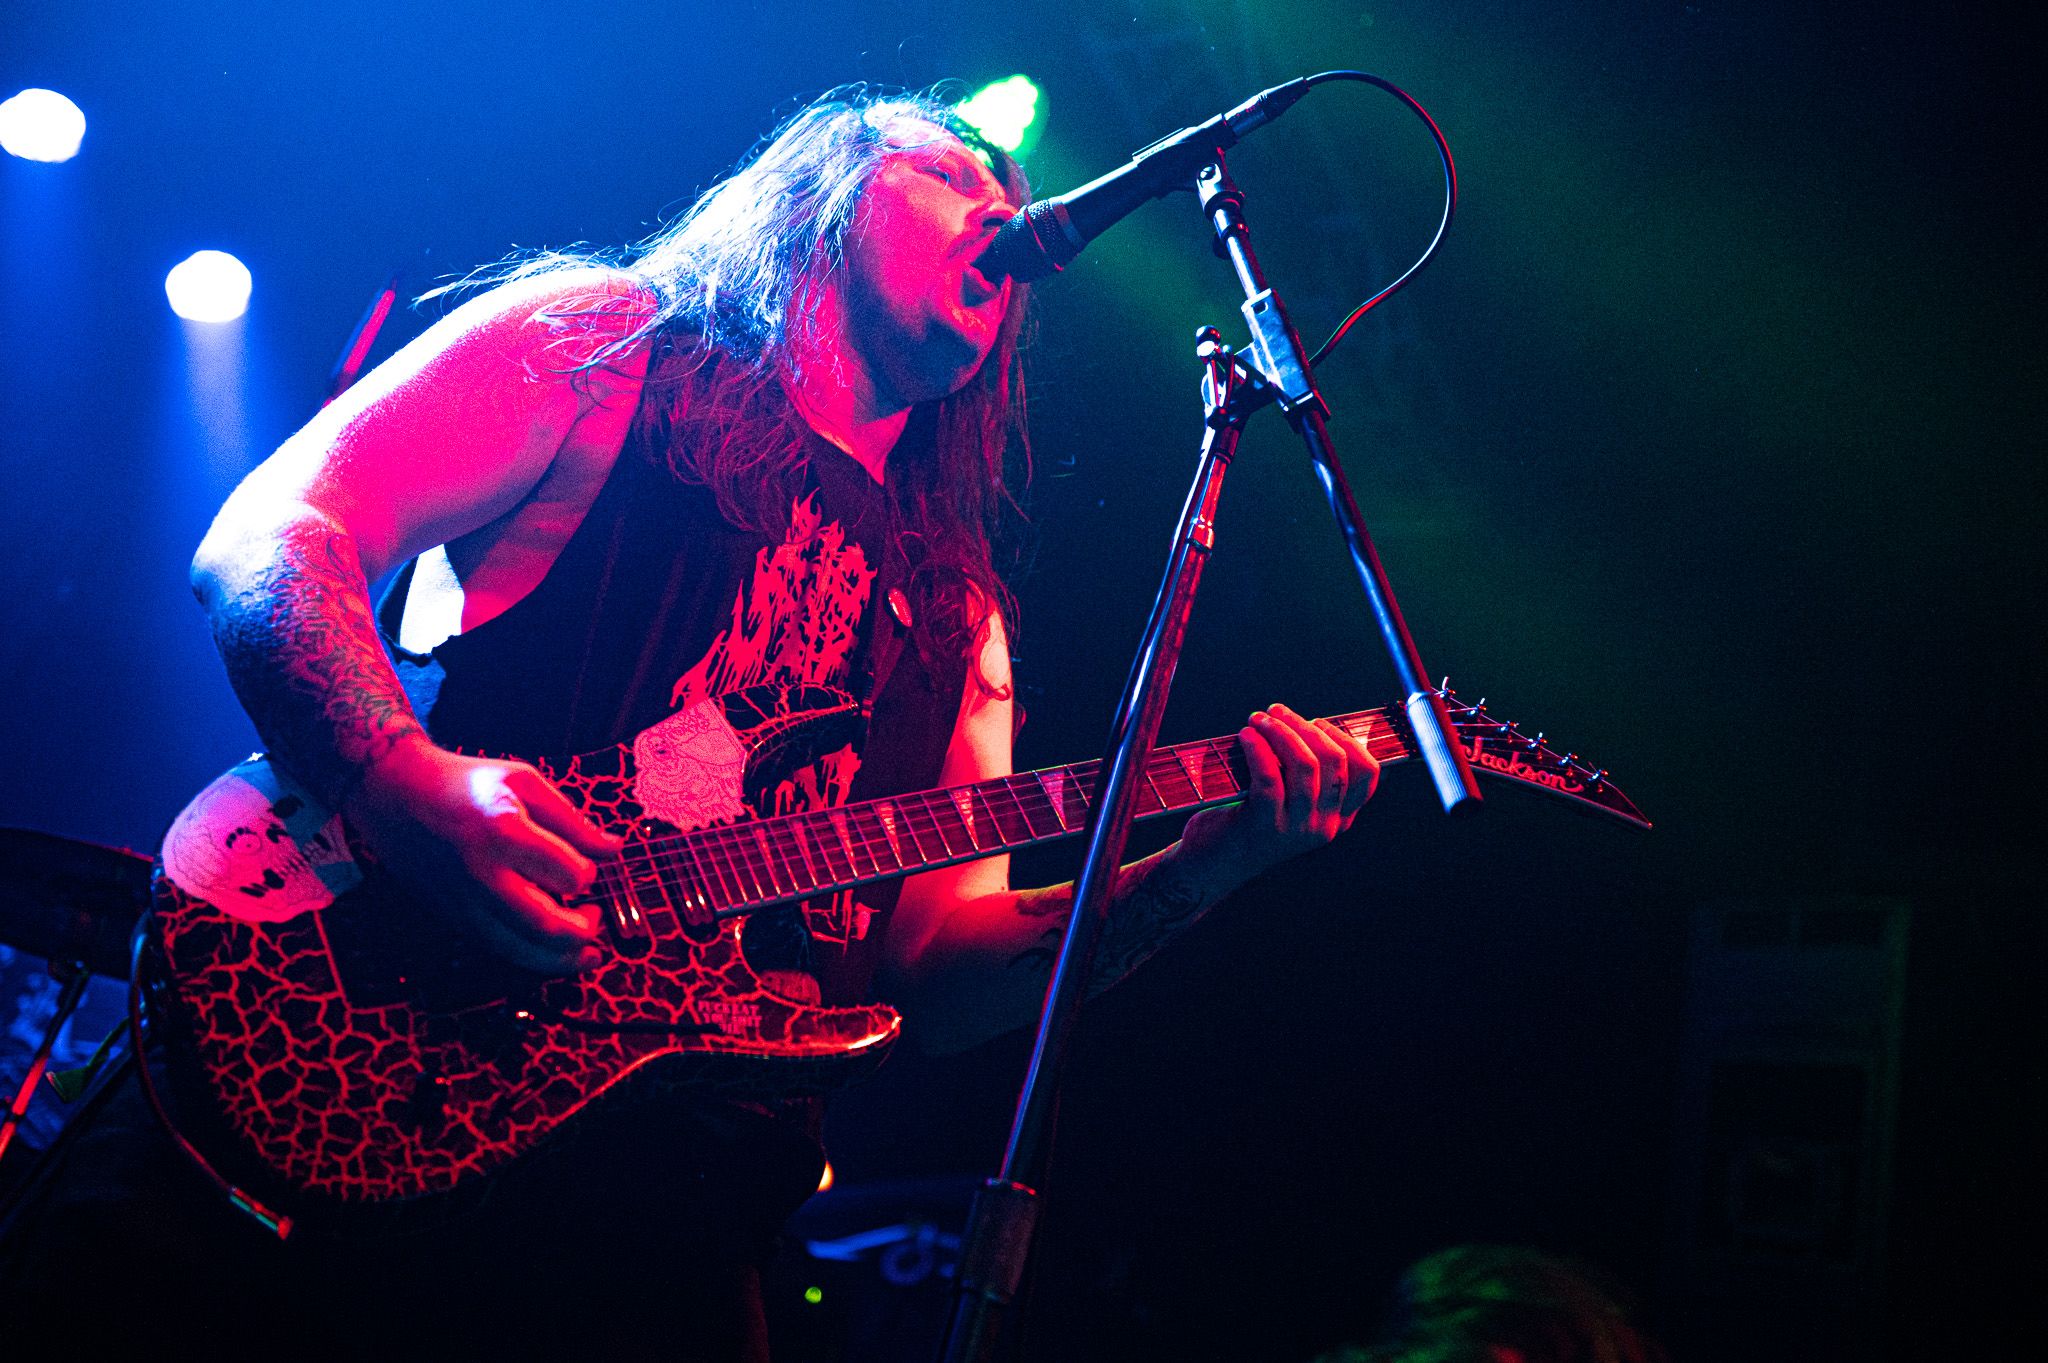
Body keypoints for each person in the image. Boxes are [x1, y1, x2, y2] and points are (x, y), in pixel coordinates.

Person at [0, 87, 1376, 1359]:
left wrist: (1200, 871)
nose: (1002, 212)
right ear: (821, 192)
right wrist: (396, 779)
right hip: (367, 1053)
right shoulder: (608, 350)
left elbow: (933, 972)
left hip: (658, 1242)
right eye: (953, 171)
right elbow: (272, 534)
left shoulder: (957, 615)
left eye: (1009, 191)